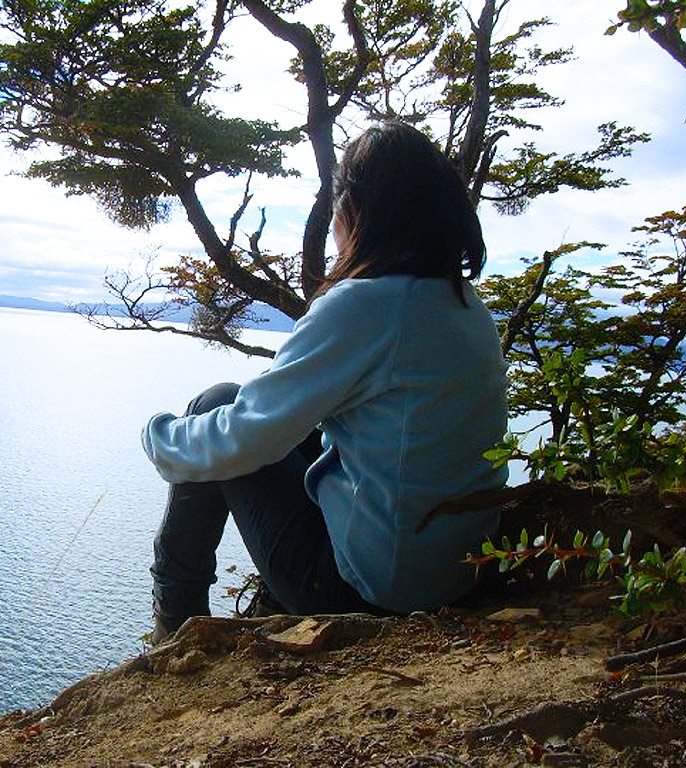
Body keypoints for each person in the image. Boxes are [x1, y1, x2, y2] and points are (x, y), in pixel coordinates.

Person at [141, 121, 508, 641]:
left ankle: (176, 627)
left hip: (374, 590)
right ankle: (212, 616)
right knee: (267, 422)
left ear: (356, 211)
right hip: (457, 572)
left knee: (213, 406)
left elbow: (246, 435)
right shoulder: (464, 304)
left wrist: (156, 436)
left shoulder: (366, 305)